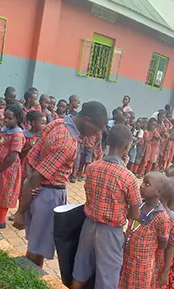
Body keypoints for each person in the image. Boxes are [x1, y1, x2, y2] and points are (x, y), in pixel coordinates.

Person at [14, 102, 108, 269]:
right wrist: (20, 211)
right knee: (38, 249)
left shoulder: (57, 123)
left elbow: (31, 158)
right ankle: (30, 282)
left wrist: (29, 184)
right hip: (49, 195)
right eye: (98, 127)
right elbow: (38, 176)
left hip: (38, 191)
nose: (98, 133)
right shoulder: (66, 143)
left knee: (36, 243)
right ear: (87, 120)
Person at [71, 125, 141, 289]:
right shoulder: (128, 178)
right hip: (110, 232)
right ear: (127, 146)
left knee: (80, 269)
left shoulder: (92, 168)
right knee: (106, 283)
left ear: (108, 142)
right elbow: (135, 214)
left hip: (89, 225)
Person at [108, 172, 170, 289]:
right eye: (142, 182)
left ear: (159, 192)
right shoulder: (138, 205)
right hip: (126, 256)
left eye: (147, 184)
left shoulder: (161, 217)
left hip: (142, 263)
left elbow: (163, 242)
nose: (141, 186)